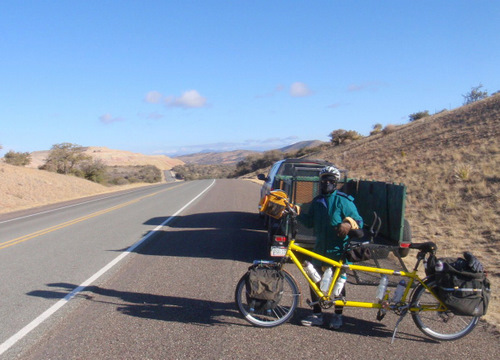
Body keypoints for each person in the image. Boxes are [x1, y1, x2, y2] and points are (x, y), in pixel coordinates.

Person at [298, 165, 363, 330]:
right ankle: (317, 314)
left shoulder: (343, 201)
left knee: (338, 285)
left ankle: (338, 316)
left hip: (338, 250)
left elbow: (358, 221)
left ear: (336, 182)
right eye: (324, 180)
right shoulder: (317, 201)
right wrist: (297, 212)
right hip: (320, 248)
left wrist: (348, 224)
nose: (327, 183)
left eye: (330, 180)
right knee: (315, 281)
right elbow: (309, 222)